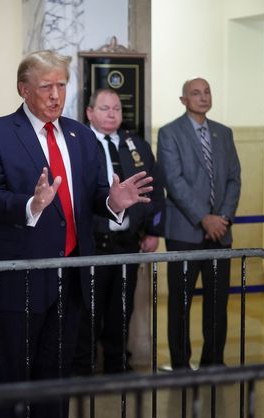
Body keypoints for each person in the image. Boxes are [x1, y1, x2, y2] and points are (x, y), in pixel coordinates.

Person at [0, 50, 153, 418]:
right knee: (11, 381)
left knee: (55, 379)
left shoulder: (79, 135)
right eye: (47, 86)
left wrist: (114, 201)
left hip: (69, 278)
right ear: (24, 89)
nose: (56, 95)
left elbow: (93, 195)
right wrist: (32, 204)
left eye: (62, 85)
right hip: (14, 279)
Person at [73, 88, 165, 375]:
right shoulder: (78, 144)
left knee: (121, 309)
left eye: (116, 108)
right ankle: (83, 365)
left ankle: (116, 363)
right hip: (91, 244)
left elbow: (155, 189)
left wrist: (153, 230)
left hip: (126, 243)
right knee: (87, 309)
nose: (112, 114)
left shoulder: (134, 144)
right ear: (90, 113)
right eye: (104, 108)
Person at [157, 77, 241, 370]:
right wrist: (204, 218)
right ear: (184, 100)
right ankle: (180, 364)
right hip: (185, 231)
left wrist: (223, 218)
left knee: (218, 304)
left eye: (207, 91)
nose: (203, 97)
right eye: (196, 93)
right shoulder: (170, 133)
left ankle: (213, 361)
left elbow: (234, 178)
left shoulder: (223, 133)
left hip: (221, 232)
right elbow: (173, 180)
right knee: (180, 303)